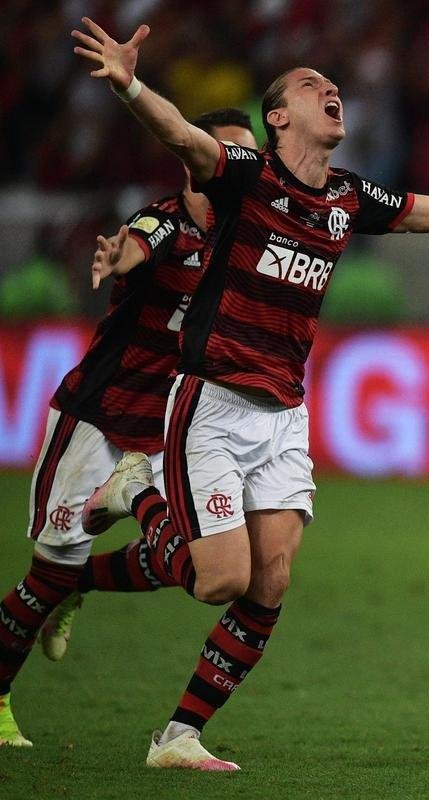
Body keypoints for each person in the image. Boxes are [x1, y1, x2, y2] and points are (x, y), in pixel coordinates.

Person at [70, 17, 429, 771]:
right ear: (278, 118)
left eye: (333, 85)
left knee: (271, 580)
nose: (331, 90)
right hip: (213, 403)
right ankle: (136, 492)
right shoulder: (246, 177)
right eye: (309, 86)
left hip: (285, 412)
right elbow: (183, 140)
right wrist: (130, 83)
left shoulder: (350, 197)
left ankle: (178, 736)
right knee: (218, 579)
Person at [0, 109, 257, 748]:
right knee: (45, 576)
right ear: (194, 158)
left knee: (200, 565)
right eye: (230, 155)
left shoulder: (251, 239)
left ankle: (82, 576)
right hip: (101, 415)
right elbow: (139, 243)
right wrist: (121, 256)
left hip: (171, 431)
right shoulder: (167, 218)